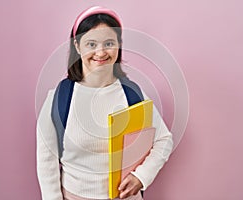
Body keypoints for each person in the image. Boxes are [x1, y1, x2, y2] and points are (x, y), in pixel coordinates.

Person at [36, 6, 173, 200]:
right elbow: (46, 164)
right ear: (77, 45)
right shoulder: (59, 98)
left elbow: (164, 139)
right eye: (91, 44)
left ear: (119, 44)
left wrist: (141, 177)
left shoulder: (132, 94)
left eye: (109, 43)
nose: (100, 52)